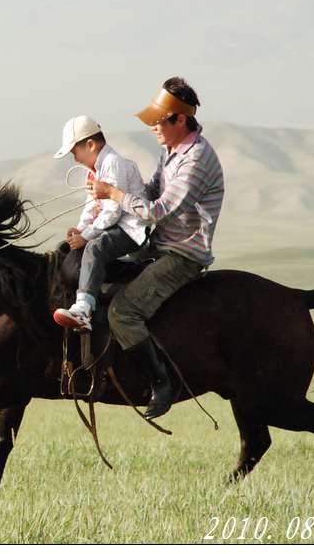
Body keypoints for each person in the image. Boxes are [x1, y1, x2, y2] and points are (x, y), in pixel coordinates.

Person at [88, 77, 225, 419]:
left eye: (157, 122)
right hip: (157, 246)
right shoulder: (172, 150)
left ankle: (161, 382)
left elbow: (156, 211)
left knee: (123, 311)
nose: (153, 129)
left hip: (182, 255)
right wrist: (110, 193)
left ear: (179, 120)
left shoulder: (196, 160)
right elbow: (150, 190)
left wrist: (115, 195)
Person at [51, 116, 150, 331]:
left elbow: (113, 212)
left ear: (90, 145)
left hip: (130, 229)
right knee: (78, 250)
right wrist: (80, 229)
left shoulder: (113, 163)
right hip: (114, 227)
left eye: (75, 152)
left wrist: (86, 236)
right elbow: (91, 206)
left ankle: (84, 309)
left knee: (95, 247)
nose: (75, 159)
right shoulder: (93, 171)